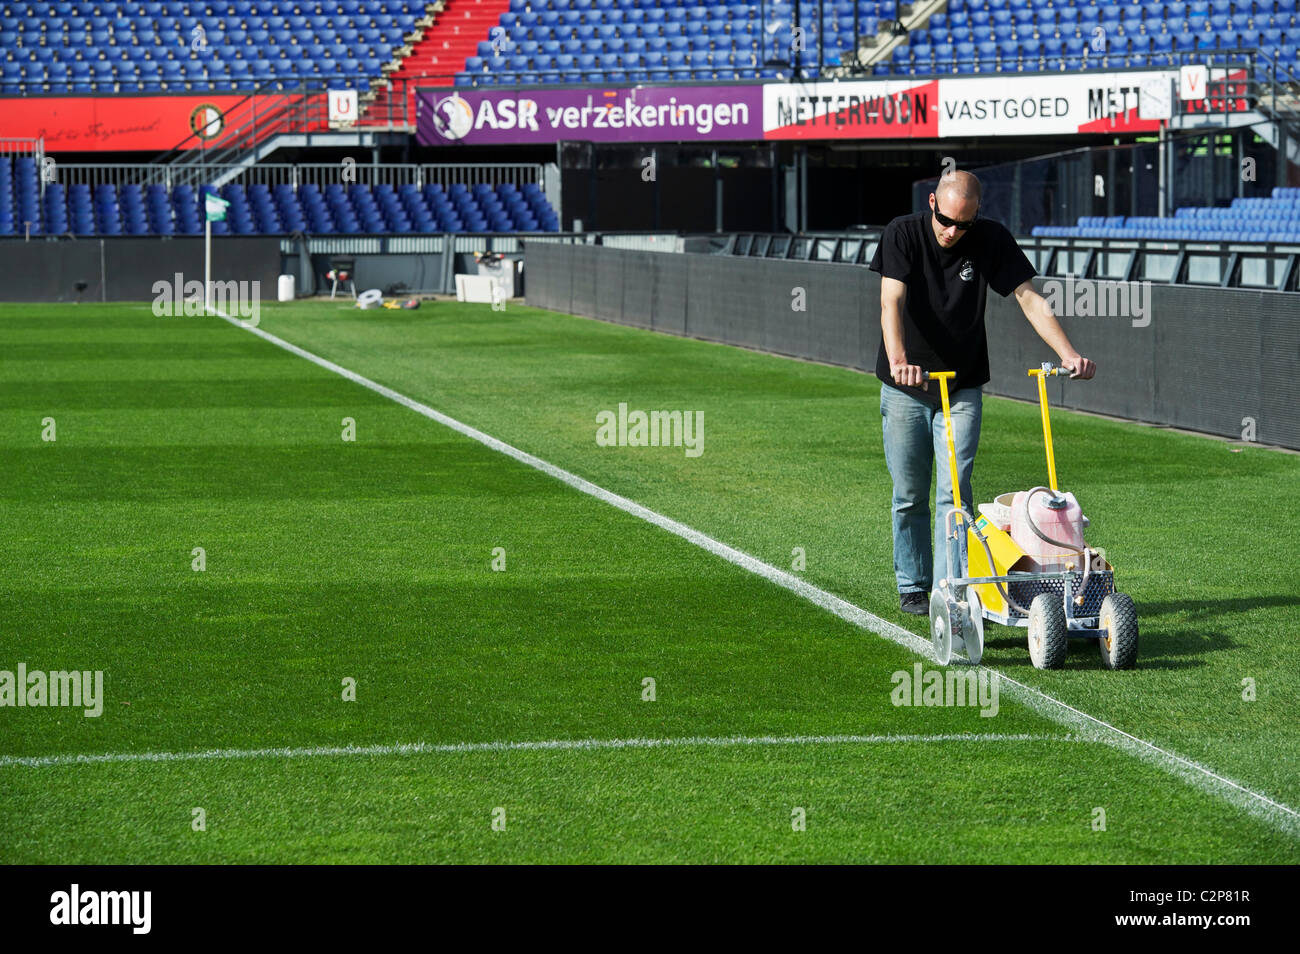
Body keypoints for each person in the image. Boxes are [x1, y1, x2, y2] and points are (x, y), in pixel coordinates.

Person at [870, 170, 1096, 616]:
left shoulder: (990, 238)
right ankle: (912, 583)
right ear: (932, 202)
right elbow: (890, 301)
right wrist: (899, 362)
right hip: (907, 386)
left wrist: (1069, 353)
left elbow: (1029, 298)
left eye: (964, 224)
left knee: (954, 495)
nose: (953, 232)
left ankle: (950, 589)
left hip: (962, 385)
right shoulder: (903, 233)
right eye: (946, 221)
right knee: (910, 494)